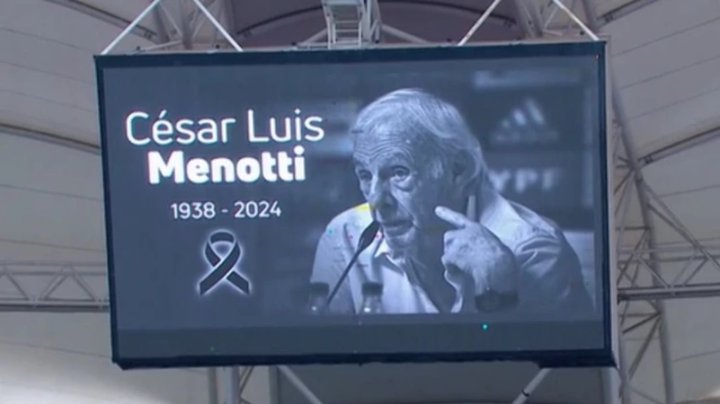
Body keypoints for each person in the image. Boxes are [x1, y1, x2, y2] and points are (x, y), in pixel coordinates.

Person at [310, 88, 590, 314]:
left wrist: (496, 289)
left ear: (459, 171)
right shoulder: (345, 235)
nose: (376, 201)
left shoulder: (534, 249)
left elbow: (539, 376)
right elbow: (322, 363)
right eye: (364, 175)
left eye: (398, 173)